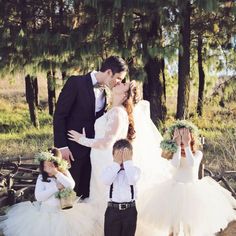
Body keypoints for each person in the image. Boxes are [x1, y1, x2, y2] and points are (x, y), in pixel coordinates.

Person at [138, 121, 236, 236]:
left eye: (184, 136)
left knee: (188, 227)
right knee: (173, 228)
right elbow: (175, 164)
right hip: (173, 191)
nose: (182, 139)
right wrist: (178, 146)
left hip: (192, 193)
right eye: (179, 136)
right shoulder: (172, 154)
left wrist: (186, 144)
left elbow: (191, 163)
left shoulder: (197, 154)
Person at [53, 56, 128, 198]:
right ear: (109, 72)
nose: (119, 82)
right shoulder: (76, 82)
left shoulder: (106, 93)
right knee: (69, 195)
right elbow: (59, 116)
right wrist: (62, 147)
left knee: (86, 195)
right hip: (71, 151)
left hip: (94, 153)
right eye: (118, 78)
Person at [0, 148, 95, 236]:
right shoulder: (42, 178)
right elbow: (39, 197)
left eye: (51, 165)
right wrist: (56, 188)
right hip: (46, 213)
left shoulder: (63, 173)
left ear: (57, 164)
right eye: (45, 166)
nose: (48, 168)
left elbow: (71, 185)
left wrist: (57, 173)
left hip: (65, 212)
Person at [101, 139, 141, 236]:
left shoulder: (135, 170)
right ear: (113, 156)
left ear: (131, 156)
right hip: (112, 210)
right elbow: (106, 180)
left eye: (126, 155)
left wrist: (128, 163)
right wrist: (116, 164)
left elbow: (132, 179)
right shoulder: (108, 169)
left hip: (130, 211)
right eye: (119, 154)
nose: (122, 158)